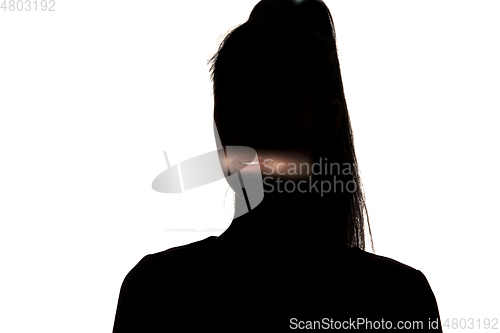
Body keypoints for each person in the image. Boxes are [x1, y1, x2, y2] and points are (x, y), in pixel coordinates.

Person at [112, 0, 442, 331]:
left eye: (280, 104)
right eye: (237, 106)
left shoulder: (158, 291)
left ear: (328, 123)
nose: (251, 128)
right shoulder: (396, 297)